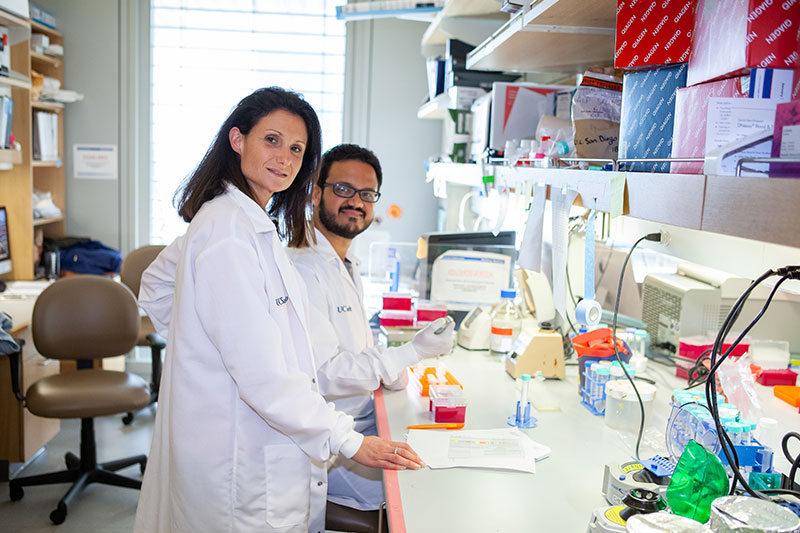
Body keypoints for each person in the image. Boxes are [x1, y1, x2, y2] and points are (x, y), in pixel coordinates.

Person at [133, 87, 426, 533]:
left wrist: (204, 351)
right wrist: (349, 440)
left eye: (296, 149)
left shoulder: (238, 220)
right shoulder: (228, 232)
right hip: (241, 458)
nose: (284, 159)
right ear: (237, 139)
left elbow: (155, 286)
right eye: (271, 140)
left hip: (250, 437)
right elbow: (262, 375)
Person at [287, 144, 451, 514]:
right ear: (316, 193)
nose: (355, 202)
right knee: (420, 491)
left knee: (437, 456)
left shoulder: (345, 262)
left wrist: (396, 371)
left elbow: (357, 350)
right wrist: (411, 353)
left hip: (359, 421)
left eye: (366, 194)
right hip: (328, 445)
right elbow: (323, 374)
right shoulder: (302, 269)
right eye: (343, 189)